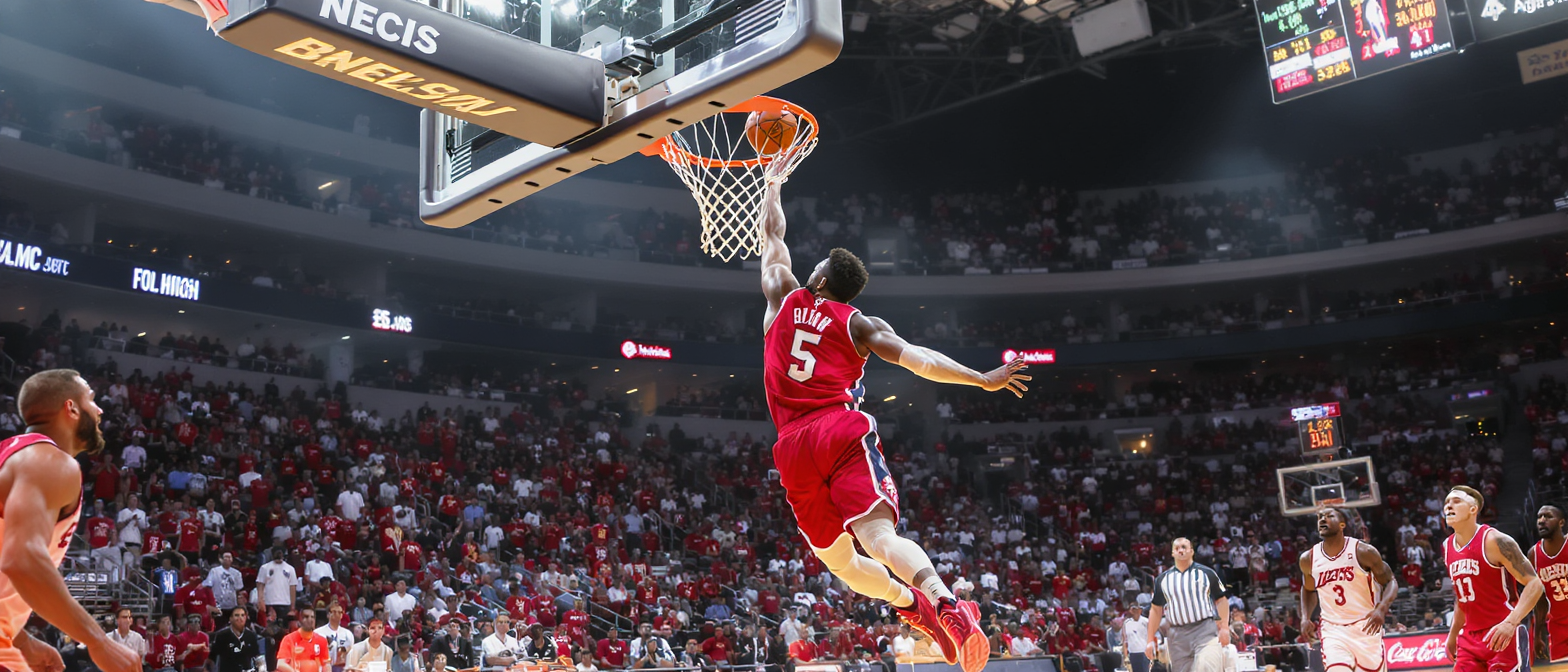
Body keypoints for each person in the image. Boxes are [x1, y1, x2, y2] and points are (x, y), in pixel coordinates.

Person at [757, 182, 1026, 672]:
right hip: (839, 430)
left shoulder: (781, 293)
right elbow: (920, 361)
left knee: (842, 565)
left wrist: (772, 184)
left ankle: (915, 607)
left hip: (792, 444)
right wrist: (982, 380)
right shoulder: (860, 324)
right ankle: (938, 602)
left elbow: (773, 233)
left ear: (817, 279)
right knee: (879, 538)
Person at [0, 369, 140, 672]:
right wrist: (98, 641)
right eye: (91, 399)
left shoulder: (15, 457)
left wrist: (20, 639)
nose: (100, 410)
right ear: (71, 408)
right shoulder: (48, 461)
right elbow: (21, 560)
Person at [1442, 486, 1544, 672]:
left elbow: (1535, 584)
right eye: (1447, 502)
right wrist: (1453, 634)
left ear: (1473, 509)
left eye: (1456, 501)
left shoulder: (1496, 541)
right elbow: (1462, 597)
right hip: (1470, 638)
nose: (1448, 506)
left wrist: (1511, 623)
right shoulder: (1447, 547)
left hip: (1502, 631)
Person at [1298, 507, 1398, 672]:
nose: (1323, 519)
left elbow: (1391, 581)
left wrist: (1381, 609)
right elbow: (1308, 589)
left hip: (1366, 626)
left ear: (1342, 524)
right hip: (1333, 629)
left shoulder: (1363, 552)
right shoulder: (1308, 558)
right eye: (1320, 517)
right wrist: (1305, 617)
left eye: (1329, 516)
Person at [1146, 538, 1230, 672]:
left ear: (1191, 551)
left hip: (1204, 630)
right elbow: (1156, 610)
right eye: (1177, 548)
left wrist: (1224, 627)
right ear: (1172, 553)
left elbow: (1221, 600)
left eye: (1184, 547)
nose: (1181, 551)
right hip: (1177, 635)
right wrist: (1150, 639)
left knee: (1206, 667)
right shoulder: (1162, 580)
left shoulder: (1207, 573)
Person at [1534, 503, 1568, 663]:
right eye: (1539, 517)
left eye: (1548, 516)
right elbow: (1539, 600)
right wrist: (1537, 635)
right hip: (1557, 629)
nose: (1541, 520)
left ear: (1561, 522)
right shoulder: (1533, 554)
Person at [211, 607, 264, 672]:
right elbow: (212, 658)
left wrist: (262, 669)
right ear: (230, 619)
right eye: (236, 615)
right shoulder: (222, 636)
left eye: (242, 615)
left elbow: (257, 656)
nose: (240, 618)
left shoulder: (251, 635)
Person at [316, 603, 355, 672]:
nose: (337, 614)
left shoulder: (348, 634)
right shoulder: (318, 633)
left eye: (339, 612)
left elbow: (351, 655)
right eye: (334, 612)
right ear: (328, 615)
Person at [1122, 605, 1150, 672]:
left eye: (1136, 609)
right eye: (1132, 609)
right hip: (1132, 653)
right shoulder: (1126, 623)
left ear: (1140, 610)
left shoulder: (1146, 621)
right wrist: (1125, 656)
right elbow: (1124, 640)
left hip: (1144, 652)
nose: (1134, 611)